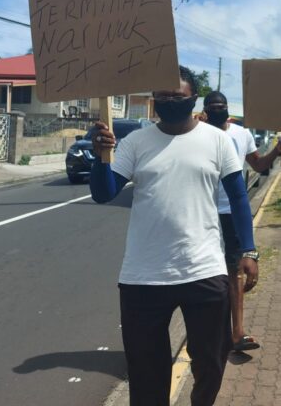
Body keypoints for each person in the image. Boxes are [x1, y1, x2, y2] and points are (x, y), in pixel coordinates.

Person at [89, 66, 258, 406]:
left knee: (211, 360)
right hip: (143, 276)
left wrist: (249, 250)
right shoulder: (136, 142)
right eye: (162, 96)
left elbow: (238, 198)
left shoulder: (217, 140)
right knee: (145, 372)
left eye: (177, 96)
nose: (169, 101)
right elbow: (104, 193)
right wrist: (100, 158)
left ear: (193, 99)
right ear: (154, 102)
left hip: (203, 271)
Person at [203, 90, 281, 353]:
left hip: (232, 213)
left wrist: (277, 152)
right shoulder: (195, 132)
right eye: (213, 106)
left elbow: (258, 165)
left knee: (235, 270)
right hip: (202, 212)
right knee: (207, 274)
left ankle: (237, 333)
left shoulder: (242, 134)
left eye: (222, 105)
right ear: (204, 109)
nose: (218, 109)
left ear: (228, 108)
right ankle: (211, 332)